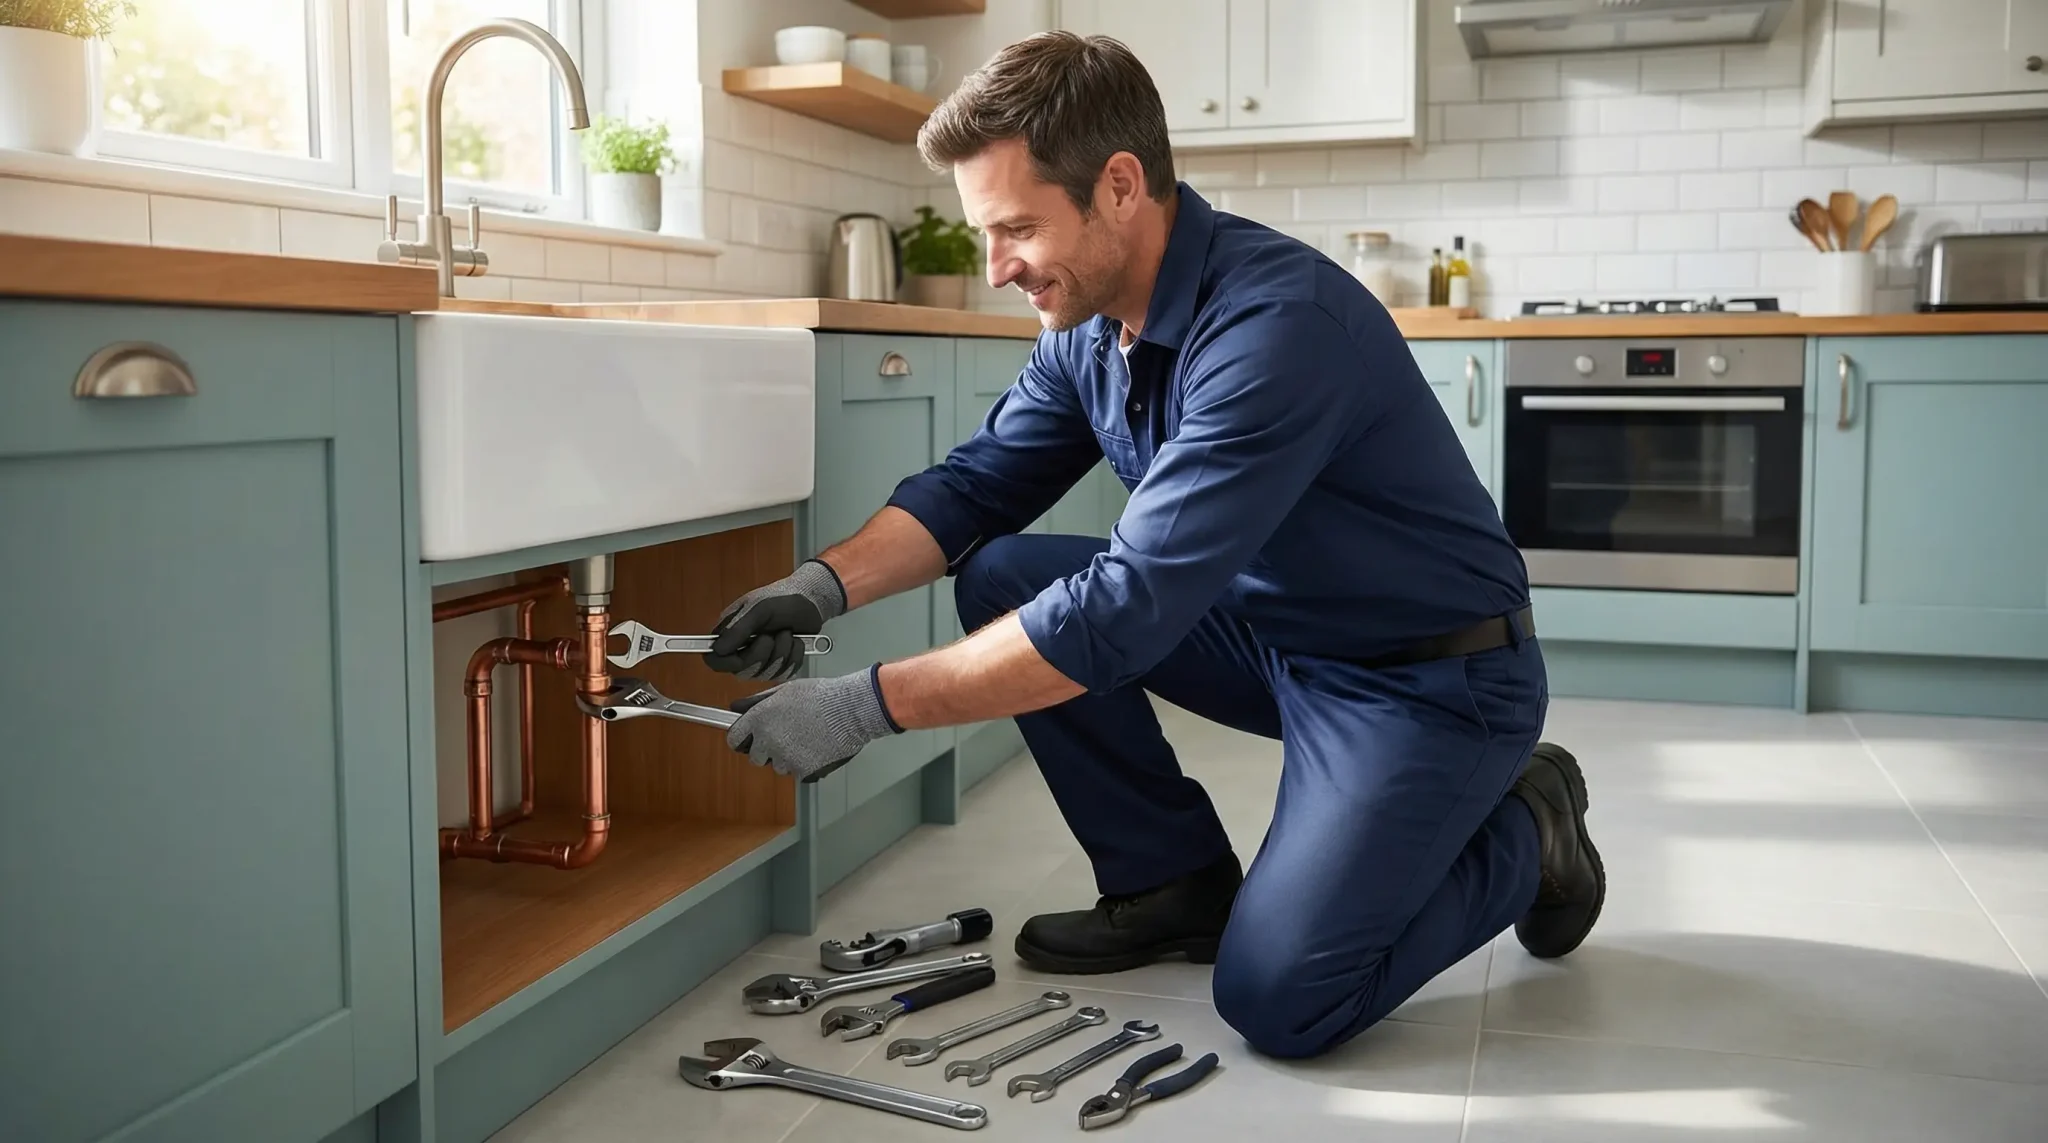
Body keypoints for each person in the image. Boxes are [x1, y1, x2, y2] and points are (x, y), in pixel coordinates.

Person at [702, 31, 1604, 1060]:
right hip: (1271, 639)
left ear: (1119, 186)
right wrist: (819, 588)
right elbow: (973, 490)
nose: (996, 267)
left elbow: (1122, 608)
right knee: (1001, 574)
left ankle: (1527, 831)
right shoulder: (1085, 327)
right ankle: (1170, 883)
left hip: (1425, 679)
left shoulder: (1273, 326)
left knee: (1278, 999)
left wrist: (864, 705)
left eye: (1014, 229)